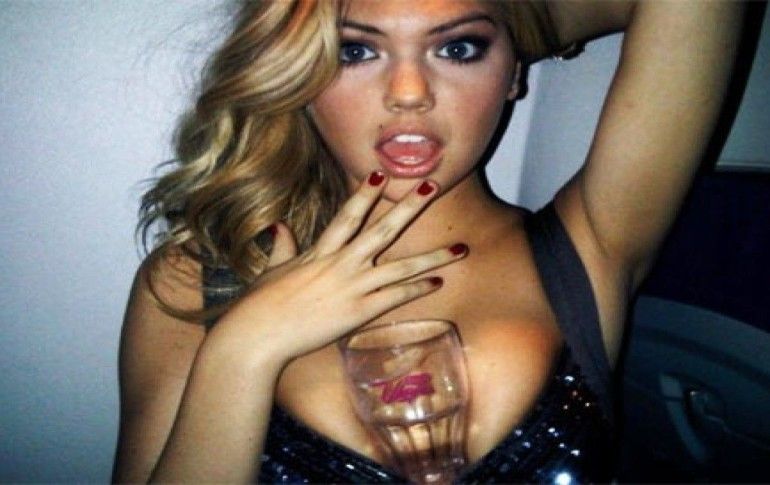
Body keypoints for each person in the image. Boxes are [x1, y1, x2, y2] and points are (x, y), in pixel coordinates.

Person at [112, 0, 744, 482]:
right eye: (356, 52)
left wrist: (513, 11)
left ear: (513, 71)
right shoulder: (199, 277)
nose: (409, 93)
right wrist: (245, 350)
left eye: (459, 48)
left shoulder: (588, 247)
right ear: (300, 75)